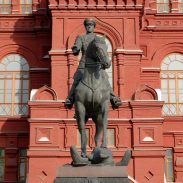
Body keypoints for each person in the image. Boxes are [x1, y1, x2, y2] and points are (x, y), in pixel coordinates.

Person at [65, 18, 122, 109]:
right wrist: (76, 48)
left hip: (97, 65)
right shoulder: (81, 37)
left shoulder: (97, 38)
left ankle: (113, 98)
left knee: (105, 78)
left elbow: (102, 50)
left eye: (91, 25)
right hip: (84, 64)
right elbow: (77, 46)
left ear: (94, 27)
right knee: (77, 79)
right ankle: (70, 99)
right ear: (85, 27)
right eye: (87, 25)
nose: (89, 27)